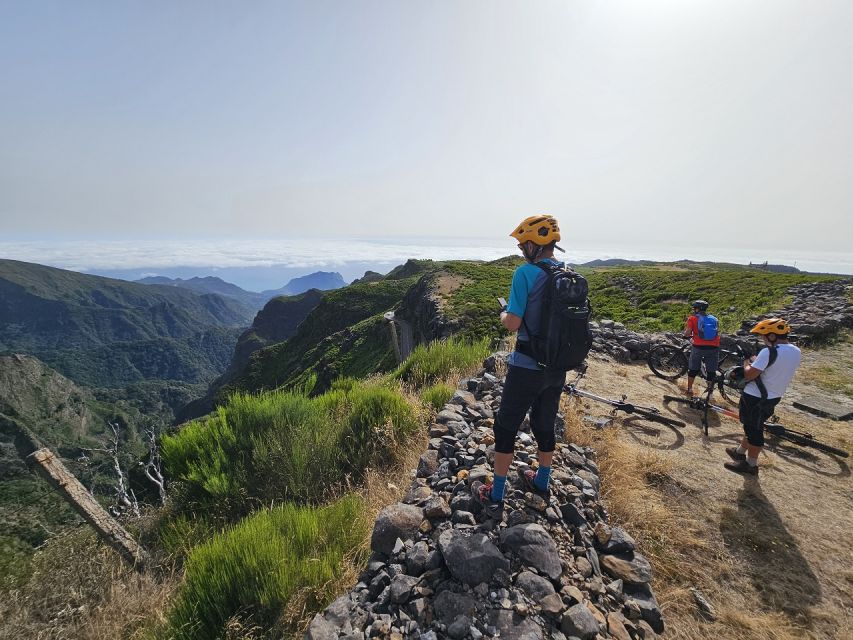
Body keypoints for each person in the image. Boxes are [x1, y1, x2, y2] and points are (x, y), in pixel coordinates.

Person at [473, 214, 568, 513]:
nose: (519, 250)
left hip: (527, 365)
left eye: (522, 244)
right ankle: (541, 480)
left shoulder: (525, 274)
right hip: (557, 367)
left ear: (534, 244)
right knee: (544, 423)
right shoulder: (567, 274)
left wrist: (503, 315)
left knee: (505, 427)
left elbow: (513, 323)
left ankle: (496, 493)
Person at [724, 318, 801, 475]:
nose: (763, 339)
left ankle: (751, 465)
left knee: (754, 430)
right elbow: (775, 368)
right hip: (773, 396)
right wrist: (756, 361)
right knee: (752, 425)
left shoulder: (768, 352)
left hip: (755, 396)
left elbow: (749, 375)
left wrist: (747, 363)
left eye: (764, 336)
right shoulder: (795, 351)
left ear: (772, 336)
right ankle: (739, 452)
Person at [682, 300, 720, 397]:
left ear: (697, 309)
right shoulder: (714, 319)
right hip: (713, 347)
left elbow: (688, 333)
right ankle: (710, 393)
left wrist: (686, 335)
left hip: (698, 347)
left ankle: (690, 389)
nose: (694, 310)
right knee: (711, 371)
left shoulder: (692, 318)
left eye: (694, 308)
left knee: (693, 368)